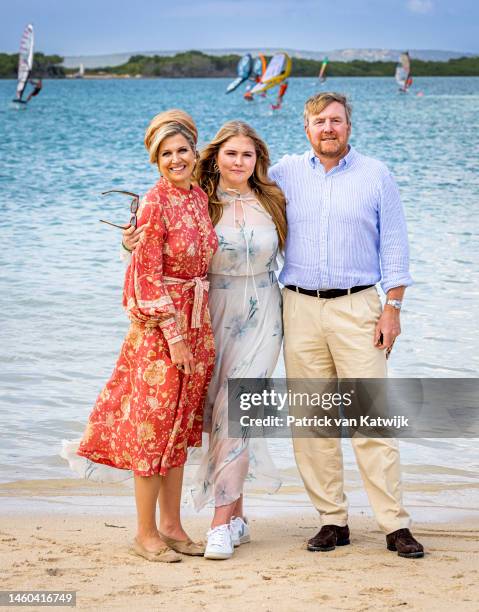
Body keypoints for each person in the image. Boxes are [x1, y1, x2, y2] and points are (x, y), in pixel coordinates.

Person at [269, 91, 424, 559]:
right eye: (319, 122)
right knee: (311, 421)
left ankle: (394, 525)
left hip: (360, 308)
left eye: (336, 120)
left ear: (349, 127)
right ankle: (332, 520)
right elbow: (232, 199)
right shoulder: (282, 175)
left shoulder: (376, 175)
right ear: (306, 129)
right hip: (297, 307)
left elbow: (394, 245)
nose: (328, 128)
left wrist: (393, 307)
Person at [124, 121, 287, 560]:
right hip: (207, 315)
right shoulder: (200, 197)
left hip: (263, 316)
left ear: (258, 160)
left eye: (247, 155)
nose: (239, 162)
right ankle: (236, 517)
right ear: (214, 157)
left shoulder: (274, 198)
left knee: (239, 410)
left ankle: (218, 523)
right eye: (230, 154)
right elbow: (160, 245)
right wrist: (130, 241)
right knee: (212, 413)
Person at [76, 109, 218, 562]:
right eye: (165, 154)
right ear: (155, 161)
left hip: (199, 328)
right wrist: (175, 336)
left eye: (182, 150)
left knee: (178, 432)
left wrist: (197, 334)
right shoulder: (154, 202)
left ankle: (174, 527)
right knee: (152, 431)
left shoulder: (197, 196)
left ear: (195, 152)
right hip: (161, 334)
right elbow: (146, 278)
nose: (176, 159)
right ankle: (145, 533)